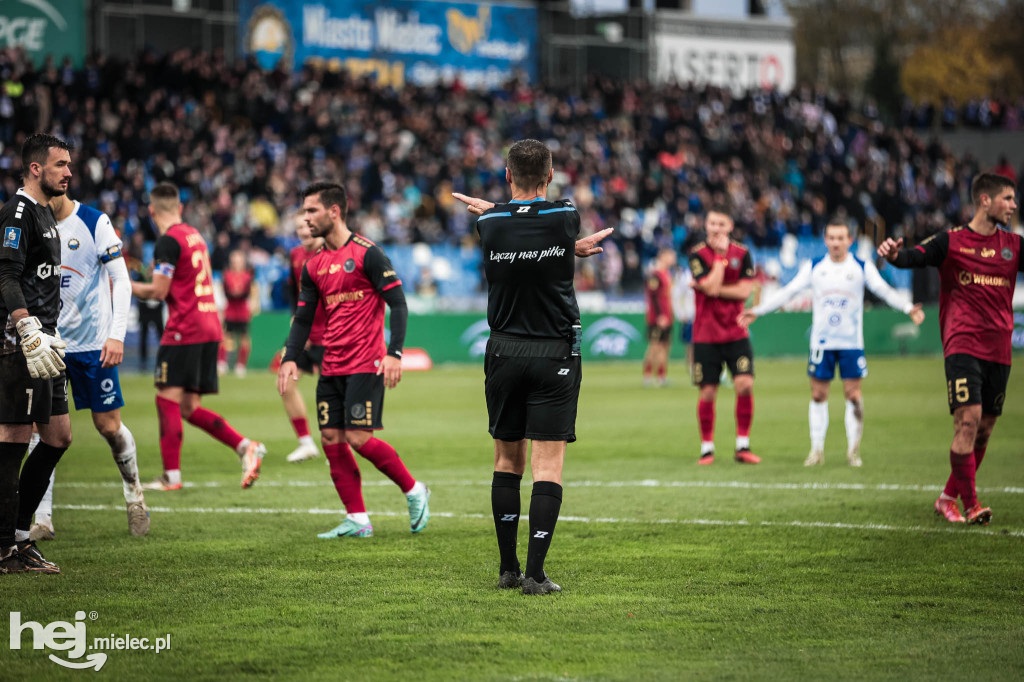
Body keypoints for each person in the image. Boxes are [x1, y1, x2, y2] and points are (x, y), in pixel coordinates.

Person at [453, 138, 612, 596]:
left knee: (506, 460)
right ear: (549, 177)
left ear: (506, 176)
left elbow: (510, 219)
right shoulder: (565, 217)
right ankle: (536, 575)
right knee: (548, 466)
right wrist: (570, 250)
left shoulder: (489, 222)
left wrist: (493, 208)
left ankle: (507, 568)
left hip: (503, 351)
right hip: (553, 353)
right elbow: (547, 227)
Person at [276, 181, 430, 538]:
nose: (305, 218)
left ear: (334, 211)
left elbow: (399, 304)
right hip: (332, 363)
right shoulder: (312, 265)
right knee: (331, 437)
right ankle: (358, 519)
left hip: (366, 362)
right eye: (304, 211)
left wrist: (394, 353)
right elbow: (302, 318)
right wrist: (290, 356)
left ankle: (413, 489)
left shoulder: (368, 253)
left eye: (311, 210)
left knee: (358, 438)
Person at [878, 172, 1021, 525]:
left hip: (999, 349)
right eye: (1008, 198)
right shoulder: (951, 242)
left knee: (984, 428)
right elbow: (912, 257)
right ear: (985, 200)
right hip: (962, 344)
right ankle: (972, 505)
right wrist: (894, 256)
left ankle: (947, 498)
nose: (1014, 205)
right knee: (967, 421)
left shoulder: (1014, 246)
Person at [738, 219, 925, 467]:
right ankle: (816, 451)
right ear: (825, 240)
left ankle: (853, 451)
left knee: (853, 394)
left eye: (841, 238)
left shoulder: (861, 266)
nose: (836, 242)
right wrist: (758, 311)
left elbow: (883, 290)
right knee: (818, 394)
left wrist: (908, 307)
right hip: (821, 342)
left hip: (851, 343)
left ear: (850, 240)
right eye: (832, 238)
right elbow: (788, 291)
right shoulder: (815, 267)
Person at [29, 193, 150, 541]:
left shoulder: (94, 222)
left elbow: (122, 280)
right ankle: (43, 518)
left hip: (93, 345)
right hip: (50, 344)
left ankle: (134, 495)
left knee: (109, 427)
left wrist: (116, 335)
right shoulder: (30, 223)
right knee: (43, 431)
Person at [131, 182, 266, 491]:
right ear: (179, 208)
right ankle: (245, 446)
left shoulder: (167, 241)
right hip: (209, 325)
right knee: (189, 406)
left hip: (185, 327)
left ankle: (171, 477)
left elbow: (158, 291)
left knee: (166, 398)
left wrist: (121, 286)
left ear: (152, 212)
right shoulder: (195, 235)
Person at [0, 133, 73, 574]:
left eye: (69, 164)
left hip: (47, 343)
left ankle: (21, 538)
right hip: (20, 343)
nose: (68, 172)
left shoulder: (47, 214)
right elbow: (6, 275)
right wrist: (25, 325)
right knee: (12, 437)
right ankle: (5, 546)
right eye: (60, 164)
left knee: (58, 437)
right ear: (35, 168)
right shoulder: (19, 212)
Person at [688, 208, 760, 465]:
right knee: (707, 392)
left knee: (745, 384)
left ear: (730, 225)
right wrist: (719, 260)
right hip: (706, 335)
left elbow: (743, 292)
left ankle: (743, 445)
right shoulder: (697, 254)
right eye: (712, 223)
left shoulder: (743, 254)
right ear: (706, 225)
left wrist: (711, 287)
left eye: (721, 223)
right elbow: (710, 286)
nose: (716, 228)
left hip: (736, 331)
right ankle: (707, 448)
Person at [280, 217, 326, 463]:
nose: (303, 231)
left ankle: (339, 445)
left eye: (307, 226)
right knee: (286, 381)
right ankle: (306, 442)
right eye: (298, 227)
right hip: (305, 335)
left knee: (333, 391)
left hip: (330, 334)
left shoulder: (331, 252)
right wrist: (297, 326)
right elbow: (292, 295)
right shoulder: (295, 255)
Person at [218, 250, 256, 378]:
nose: (237, 262)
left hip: (242, 312)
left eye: (239, 260)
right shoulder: (227, 274)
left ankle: (241, 366)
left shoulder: (247, 275)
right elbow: (226, 290)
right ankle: (222, 363)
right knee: (225, 337)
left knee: (244, 339)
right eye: (235, 259)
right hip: (230, 311)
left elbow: (247, 291)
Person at [642, 248, 676, 387]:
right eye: (671, 256)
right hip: (657, 318)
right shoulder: (656, 275)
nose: (673, 258)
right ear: (663, 256)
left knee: (665, 346)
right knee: (655, 346)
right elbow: (654, 297)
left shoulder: (667, 274)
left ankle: (662, 376)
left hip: (667, 316)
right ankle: (648, 375)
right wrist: (660, 315)